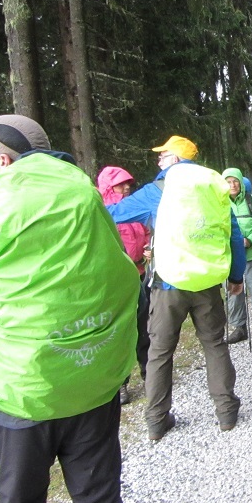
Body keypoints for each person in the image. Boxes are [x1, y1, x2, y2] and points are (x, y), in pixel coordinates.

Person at [0, 115, 139, 503]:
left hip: (19, 394)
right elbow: (124, 280)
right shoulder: (88, 205)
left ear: (5, 162)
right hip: (93, 381)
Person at [107, 135, 246, 440]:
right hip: (207, 283)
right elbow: (233, 234)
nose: (158, 160)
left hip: (168, 283)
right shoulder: (213, 186)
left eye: (164, 155)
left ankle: (157, 420)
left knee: (159, 351)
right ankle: (226, 413)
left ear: (177, 159)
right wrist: (235, 277)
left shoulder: (159, 189)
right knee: (214, 345)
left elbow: (113, 214)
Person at [97, 166, 151, 404]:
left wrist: (150, 247)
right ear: (109, 187)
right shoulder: (103, 212)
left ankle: (150, 375)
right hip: (115, 281)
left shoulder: (133, 206)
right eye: (120, 184)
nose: (127, 187)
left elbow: (145, 233)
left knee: (144, 327)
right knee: (119, 332)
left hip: (139, 274)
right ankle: (121, 385)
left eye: (128, 182)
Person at [222, 167, 252, 346]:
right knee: (234, 293)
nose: (233, 185)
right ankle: (239, 328)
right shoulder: (220, 203)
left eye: (235, 181)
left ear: (241, 183)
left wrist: (249, 240)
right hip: (231, 258)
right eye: (228, 182)